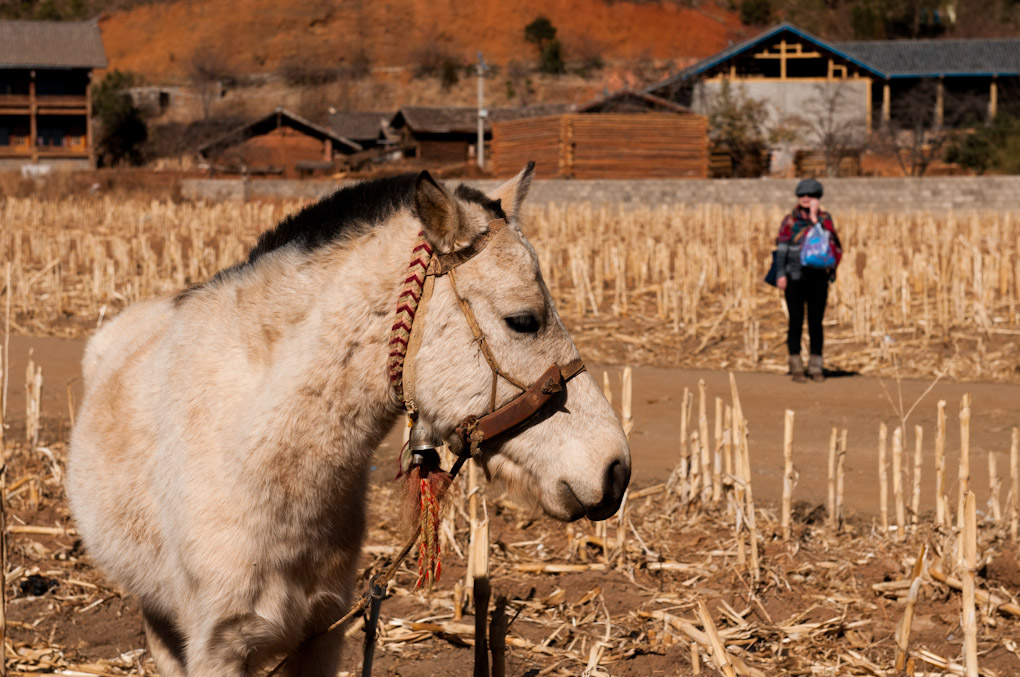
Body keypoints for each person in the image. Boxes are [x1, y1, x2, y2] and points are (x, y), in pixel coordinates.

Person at [775, 178, 842, 383]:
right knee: (795, 321)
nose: (806, 198)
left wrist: (815, 219)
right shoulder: (790, 221)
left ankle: (816, 366)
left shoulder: (825, 220)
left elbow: (832, 244)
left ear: (817, 198)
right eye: (802, 195)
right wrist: (780, 274)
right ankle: (796, 365)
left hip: (818, 278)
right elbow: (781, 249)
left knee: (816, 322)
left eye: (810, 195)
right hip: (794, 277)